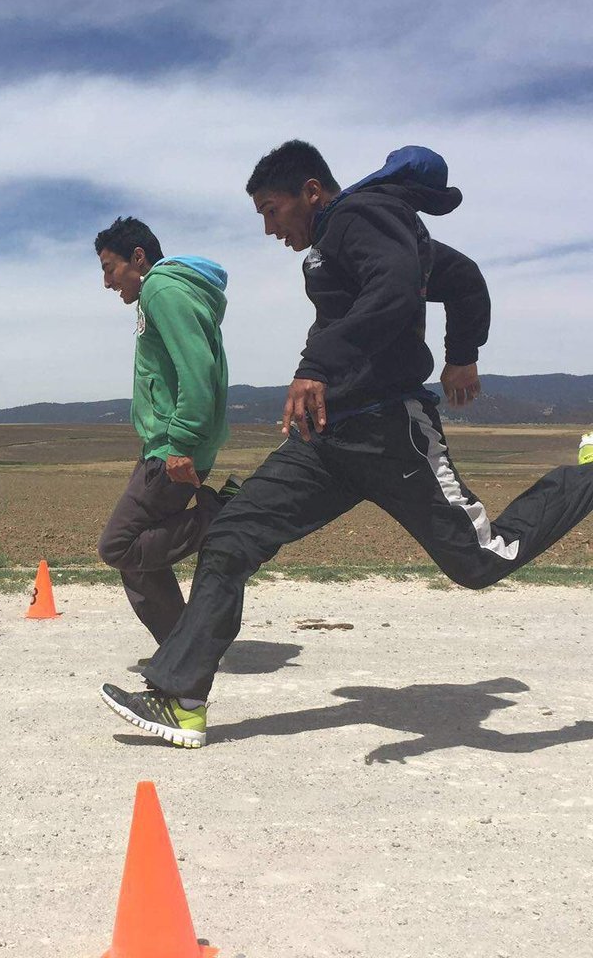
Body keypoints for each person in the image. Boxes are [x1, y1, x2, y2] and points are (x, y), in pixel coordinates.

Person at [100, 142, 593, 748]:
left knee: (480, 560)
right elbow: (454, 278)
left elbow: (397, 285)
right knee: (230, 538)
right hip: (327, 439)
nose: (269, 228)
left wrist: (341, 363)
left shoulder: (361, 218)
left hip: (390, 432)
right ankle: (180, 697)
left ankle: (586, 477)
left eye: (272, 210)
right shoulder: (337, 243)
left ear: (311, 191)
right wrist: (450, 355)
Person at [95, 216, 239, 647]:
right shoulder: (161, 292)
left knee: (118, 546)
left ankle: (220, 516)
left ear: (137, 258)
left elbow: (197, 369)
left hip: (174, 448)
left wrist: (179, 442)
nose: (107, 282)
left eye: (109, 268)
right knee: (139, 560)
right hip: (166, 444)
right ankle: (181, 646)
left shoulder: (161, 288)